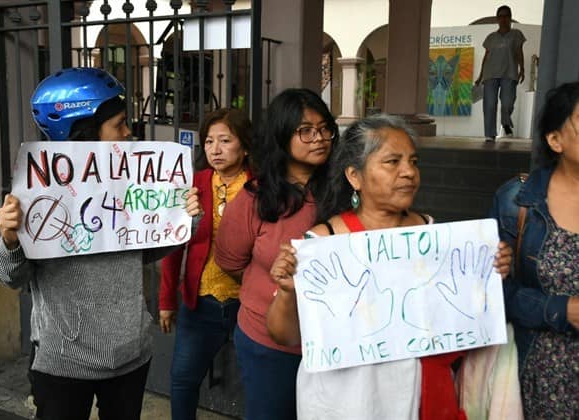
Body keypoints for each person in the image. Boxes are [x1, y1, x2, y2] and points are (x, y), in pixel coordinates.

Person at [267, 115, 513, 420]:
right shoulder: (323, 243)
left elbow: (455, 316)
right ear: (355, 176)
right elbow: (284, 334)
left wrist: (486, 273)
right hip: (345, 401)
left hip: (419, 397)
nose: (409, 172)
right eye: (392, 162)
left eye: (413, 161)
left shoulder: (431, 233)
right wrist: (289, 291)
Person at [0, 67, 201, 420]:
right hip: (62, 362)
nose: (128, 132)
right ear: (84, 131)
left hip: (131, 354)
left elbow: (146, 251)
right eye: (119, 124)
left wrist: (181, 218)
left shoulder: (129, 183)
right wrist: (10, 240)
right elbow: (9, 277)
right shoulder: (34, 192)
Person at [214, 88, 339, 420]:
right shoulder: (255, 199)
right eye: (306, 131)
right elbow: (229, 260)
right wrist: (276, 287)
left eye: (325, 127)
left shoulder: (346, 190)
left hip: (334, 342)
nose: (320, 138)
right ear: (282, 136)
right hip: (270, 344)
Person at [489, 82, 579, 419]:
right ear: (555, 140)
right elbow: (494, 292)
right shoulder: (517, 201)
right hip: (542, 378)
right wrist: (560, 309)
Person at [158, 108, 252, 420]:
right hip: (200, 301)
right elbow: (173, 247)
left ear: (245, 145)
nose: (215, 149)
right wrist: (167, 300)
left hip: (249, 304)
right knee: (183, 379)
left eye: (225, 140)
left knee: (257, 384)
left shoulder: (261, 188)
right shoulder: (193, 184)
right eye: (209, 141)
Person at [475, 5, 526, 142]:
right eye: (500, 16)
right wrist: (480, 76)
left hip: (509, 73)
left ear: (510, 18)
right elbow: (486, 57)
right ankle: (490, 134)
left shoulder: (517, 35)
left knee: (507, 103)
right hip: (490, 74)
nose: (503, 19)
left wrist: (522, 68)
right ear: (497, 19)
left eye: (506, 16)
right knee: (490, 104)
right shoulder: (491, 37)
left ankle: (505, 121)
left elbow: (519, 52)